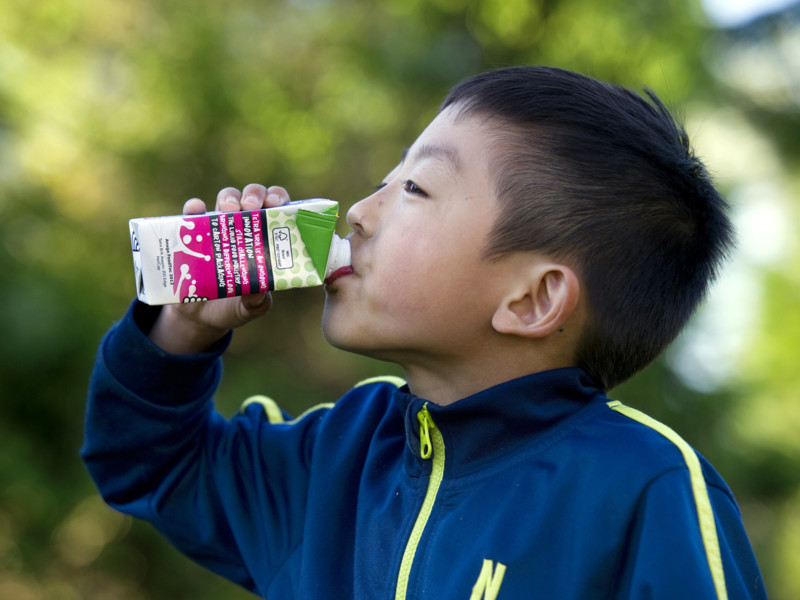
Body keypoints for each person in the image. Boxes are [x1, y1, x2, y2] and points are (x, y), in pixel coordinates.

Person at [82, 66, 767, 599]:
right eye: (387, 179)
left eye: (415, 190)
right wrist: (182, 329)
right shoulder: (341, 460)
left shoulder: (643, 490)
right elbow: (153, 464)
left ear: (532, 299)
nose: (358, 212)